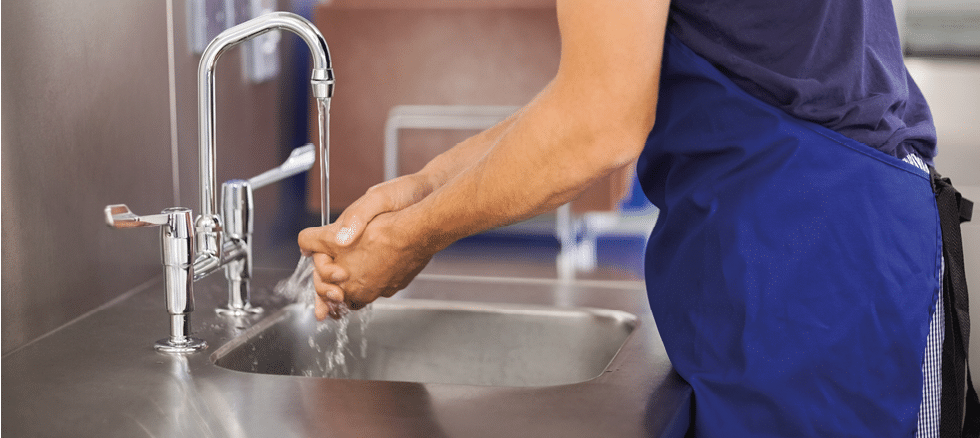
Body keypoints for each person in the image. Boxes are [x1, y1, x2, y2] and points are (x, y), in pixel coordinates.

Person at [298, 0, 977, 436]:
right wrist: (421, 190)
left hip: (828, 275)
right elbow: (595, 90)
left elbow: (599, 125)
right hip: (774, 263)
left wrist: (415, 236)